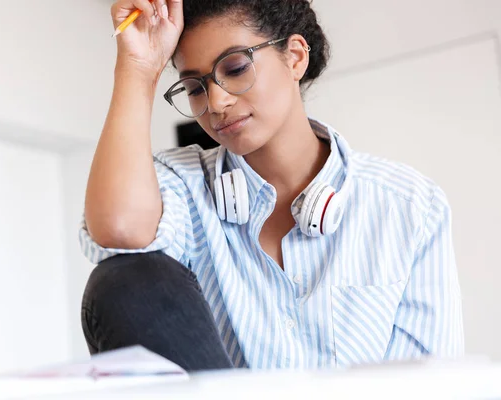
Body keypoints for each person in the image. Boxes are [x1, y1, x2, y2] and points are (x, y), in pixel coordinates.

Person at [79, 0, 464, 371]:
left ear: (295, 57)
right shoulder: (182, 184)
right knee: (119, 279)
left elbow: (433, 379)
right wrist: (137, 68)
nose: (216, 102)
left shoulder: (409, 204)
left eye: (234, 68)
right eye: (195, 88)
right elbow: (120, 230)